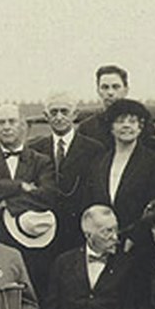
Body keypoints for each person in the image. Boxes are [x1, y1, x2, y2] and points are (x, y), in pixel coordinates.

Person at [83, 98, 155, 247]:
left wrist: (135, 236)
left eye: (132, 121)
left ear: (140, 127)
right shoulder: (98, 161)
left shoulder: (154, 161)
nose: (127, 125)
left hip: (137, 243)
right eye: (120, 121)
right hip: (102, 241)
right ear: (111, 127)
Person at [29, 92, 106, 253]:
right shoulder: (35, 149)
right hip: (44, 230)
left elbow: (97, 192)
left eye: (64, 112)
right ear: (46, 116)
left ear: (74, 115)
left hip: (78, 231)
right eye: (53, 112)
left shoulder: (94, 149)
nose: (59, 117)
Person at [0, 103, 55, 193]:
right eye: (1, 123)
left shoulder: (42, 162)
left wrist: (3, 201)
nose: (6, 127)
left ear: (22, 125)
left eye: (12, 122)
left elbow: (46, 196)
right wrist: (19, 186)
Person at [77, 65, 155, 146]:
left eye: (116, 87)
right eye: (105, 87)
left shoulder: (142, 119)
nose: (110, 92)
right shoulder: (87, 128)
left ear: (126, 90)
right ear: (98, 91)